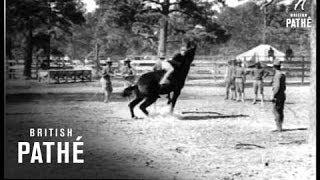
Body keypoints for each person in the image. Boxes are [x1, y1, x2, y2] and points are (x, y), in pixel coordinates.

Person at [272, 61, 286, 132]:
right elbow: (284, 86)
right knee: (280, 111)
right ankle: (280, 126)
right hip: (282, 94)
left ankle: (279, 127)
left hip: (278, 95)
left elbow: (277, 86)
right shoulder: (282, 74)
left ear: (274, 67)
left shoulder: (277, 75)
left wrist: (274, 95)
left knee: (275, 110)